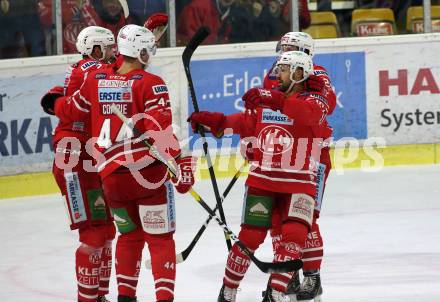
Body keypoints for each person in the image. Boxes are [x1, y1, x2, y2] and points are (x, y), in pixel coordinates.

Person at [45, 24, 196, 302]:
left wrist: (55, 100)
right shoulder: (151, 82)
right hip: (147, 176)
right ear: (141, 52)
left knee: (128, 236)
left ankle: (125, 297)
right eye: (150, 49)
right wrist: (180, 163)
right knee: (160, 239)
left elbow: (70, 109)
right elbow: (162, 132)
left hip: (112, 179)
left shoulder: (96, 80)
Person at [188, 51, 332, 302]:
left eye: (285, 70)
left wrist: (274, 98)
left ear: (299, 73)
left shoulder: (316, 101)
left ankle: (276, 293)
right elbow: (246, 122)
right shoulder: (269, 99)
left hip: (300, 183)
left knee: (294, 239)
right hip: (263, 180)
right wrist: (217, 122)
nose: (278, 74)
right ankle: (228, 290)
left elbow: (306, 114)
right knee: (250, 237)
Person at [40, 26, 117, 302]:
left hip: (88, 159)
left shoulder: (84, 69)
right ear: (95, 49)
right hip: (73, 161)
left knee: (107, 228)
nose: (114, 53)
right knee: (94, 232)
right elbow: (117, 71)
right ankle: (88, 299)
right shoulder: (92, 69)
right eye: (109, 48)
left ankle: (99, 295)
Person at [262, 31, 336, 302]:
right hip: (280, 153)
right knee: (277, 216)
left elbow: (325, 106)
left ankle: (312, 277)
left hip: (313, 153)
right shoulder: (274, 73)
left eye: (289, 47)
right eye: (282, 46)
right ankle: (288, 272)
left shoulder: (317, 74)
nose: (283, 52)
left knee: (306, 218)